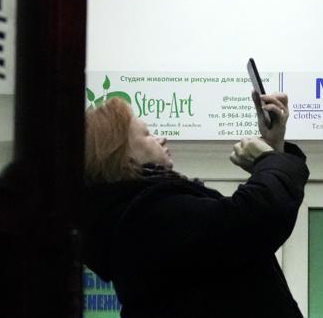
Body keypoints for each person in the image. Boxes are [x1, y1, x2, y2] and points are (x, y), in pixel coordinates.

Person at [83, 91, 308, 317]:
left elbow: (242, 245)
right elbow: (256, 216)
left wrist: (273, 151)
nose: (162, 139)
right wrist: (271, 159)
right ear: (124, 156)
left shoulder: (132, 219)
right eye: (148, 134)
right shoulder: (145, 218)